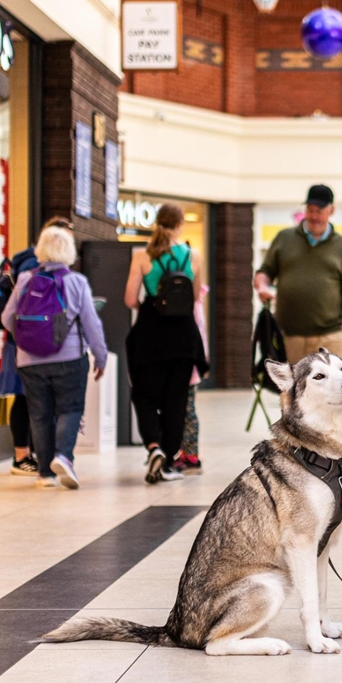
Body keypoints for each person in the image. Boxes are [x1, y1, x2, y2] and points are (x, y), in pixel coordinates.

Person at [0, 225, 108, 489]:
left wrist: (28, 339)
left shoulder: (25, 279)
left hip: (28, 361)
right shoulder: (76, 282)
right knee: (69, 409)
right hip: (69, 358)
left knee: (39, 414)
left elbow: (6, 317)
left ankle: (45, 474)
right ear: (69, 252)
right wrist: (101, 357)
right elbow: (91, 325)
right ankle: (63, 457)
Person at [125, 203, 208, 484]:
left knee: (144, 395)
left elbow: (128, 300)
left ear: (156, 222)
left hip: (149, 334)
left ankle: (153, 446)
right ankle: (170, 460)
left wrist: (149, 307)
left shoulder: (141, 256)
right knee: (176, 401)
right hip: (183, 337)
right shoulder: (193, 256)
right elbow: (195, 297)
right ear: (181, 224)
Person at [253, 184, 342, 363]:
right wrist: (262, 286)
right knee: (293, 390)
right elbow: (265, 271)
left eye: (319, 211)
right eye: (310, 210)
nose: (314, 216)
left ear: (331, 210)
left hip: (331, 336)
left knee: (334, 389)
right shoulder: (284, 238)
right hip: (290, 336)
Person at [174, 284, 209, 475]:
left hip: (190, 361)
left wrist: (202, 359)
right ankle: (185, 452)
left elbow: (200, 328)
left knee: (187, 410)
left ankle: (191, 455)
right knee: (185, 409)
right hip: (189, 360)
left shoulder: (194, 297)